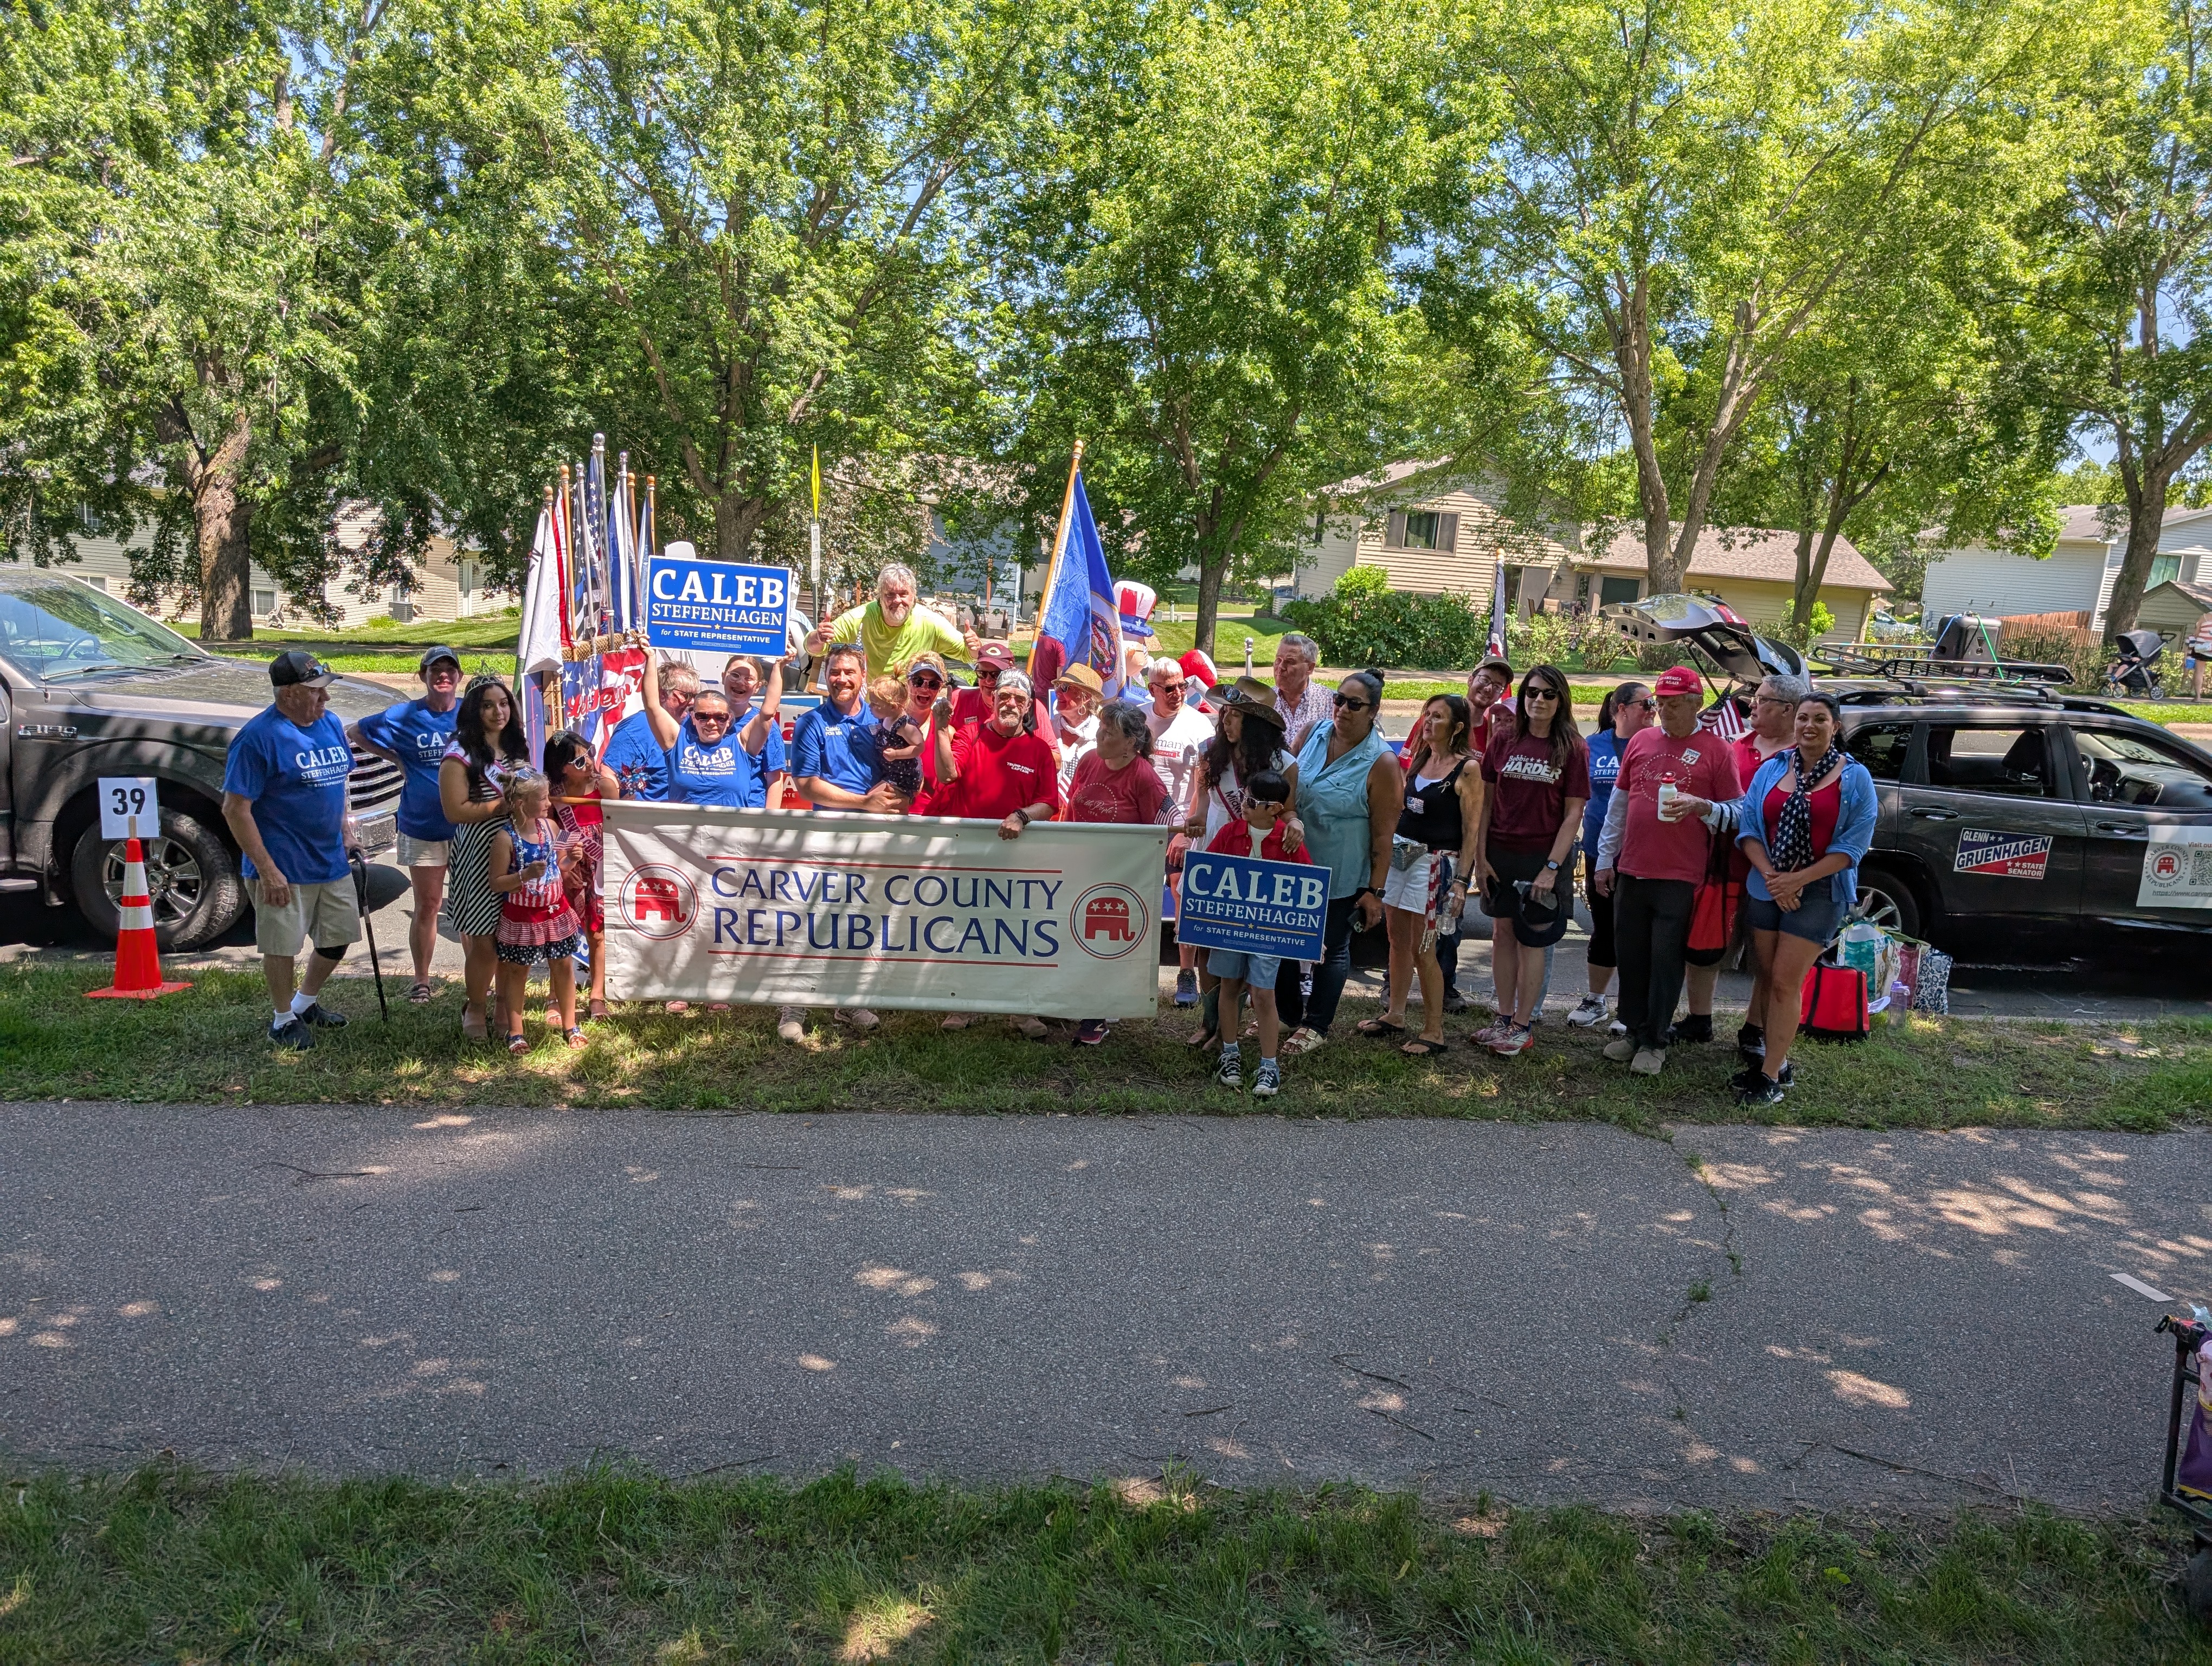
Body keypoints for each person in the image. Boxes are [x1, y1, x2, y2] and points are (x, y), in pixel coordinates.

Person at [1725, 691, 1877, 1106]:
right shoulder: (1774, 768)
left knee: (1786, 983)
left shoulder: (1856, 778)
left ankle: (1770, 1076)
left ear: (1836, 727)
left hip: (1820, 894)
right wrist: (1776, 879)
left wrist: (1799, 881)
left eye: (1821, 719)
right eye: (1804, 718)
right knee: (1770, 977)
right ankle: (1779, 1060)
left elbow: (1853, 847)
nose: (1810, 726)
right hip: (1768, 888)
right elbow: (1749, 829)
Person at [1591, 665, 1743, 1075]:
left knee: (1665, 959)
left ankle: (1656, 1041)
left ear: (1696, 704)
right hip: (1633, 869)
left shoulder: (1717, 750)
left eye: (1674, 704)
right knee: (1632, 955)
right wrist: (1606, 860)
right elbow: (1618, 807)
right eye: (1660, 703)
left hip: (1682, 876)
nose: (1665, 711)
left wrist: (1702, 807)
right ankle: (1632, 1031)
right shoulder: (1642, 740)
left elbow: (1740, 811)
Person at [220, 650, 359, 1050]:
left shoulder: (329, 724)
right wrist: (267, 870)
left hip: (330, 858)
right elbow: (235, 808)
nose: (326, 700)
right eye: (317, 693)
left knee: (337, 938)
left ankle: (305, 1002)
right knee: (282, 946)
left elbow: (338, 785)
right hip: (283, 865)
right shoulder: (257, 738)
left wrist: (346, 831)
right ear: (289, 694)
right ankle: (282, 1020)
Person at [1276, 670, 1403, 1054]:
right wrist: (1290, 816)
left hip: (1342, 874)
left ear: (1374, 711)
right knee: (1283, 941)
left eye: (1354, 704)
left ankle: (1317, 1025)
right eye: (1339, 700)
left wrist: (1375, 892)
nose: (1343, 709)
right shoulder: (1314, 732)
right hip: (1295, 863)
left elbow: (1384, 836)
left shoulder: (1381, 762)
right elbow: (1288, 788)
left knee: (1331, 949)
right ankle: (1286, 1016)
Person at [933, 668, 1064, 1039]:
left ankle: (1020, 1010)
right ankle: (963, 1004)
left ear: (1027, 708)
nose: (1010, 703)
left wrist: (1021, 816)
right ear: (992, 700)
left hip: (1017, 857)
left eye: (1019, 699)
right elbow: (947, 775)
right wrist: (942, 729)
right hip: (969, 855)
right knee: (965, 930)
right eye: (1004, 696)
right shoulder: (972, 734)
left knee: (1018, 933)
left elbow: (1048, 804)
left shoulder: (1038, 749)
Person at [1684, 672, 1805, 1059]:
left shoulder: (1803, 759)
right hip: (1721, 867)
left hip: (1773, 876)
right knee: (1705, 946)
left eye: (1763, 698)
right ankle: (1699, 1019)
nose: (1752, 703)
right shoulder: (1735, 746)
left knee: (1765, 960)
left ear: (1788, 710)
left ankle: (1754, 1029)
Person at [1472, 664, 1589, 1058]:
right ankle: (1503, 1019)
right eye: (1532, 693)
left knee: (1532, 941)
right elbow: (1485, 803)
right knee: (1502, 935)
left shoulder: (1573, 747)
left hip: (1542, 856)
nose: (1539, 700)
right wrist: (1479, 855)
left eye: (1548, 694)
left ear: (1561, 701)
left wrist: (1552, 868)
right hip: (1500, 853)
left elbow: (1574, 814)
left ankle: (1523, 1025)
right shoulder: (1503, 740)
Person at [781, 642, 895, 1040]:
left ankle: (847, 1003)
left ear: (864, 675)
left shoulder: (882, 723)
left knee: (857, 921)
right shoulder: (812, 722)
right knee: (813, 920)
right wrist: (864, 801)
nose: (841, 679)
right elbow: (806, 784)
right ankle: (794, 1004)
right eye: (834, 671)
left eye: (849, 671)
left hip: (870, 839)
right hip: (826, 837)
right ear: (824, 675)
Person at [1182, 677, 1301, 1050]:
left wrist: (1294, 823)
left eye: (1235, 716)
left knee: (1244, 940)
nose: (1226, 721)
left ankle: (1229, 1026)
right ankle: (1211, 1022)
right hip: (1217, 851)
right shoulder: (1209, 752)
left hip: (1258, 861)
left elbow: (1290, 809)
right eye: (1225, 713)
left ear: (1256, 724)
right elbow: (1201, 805)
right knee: (1206, 942)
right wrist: (1196, 820)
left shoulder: (1284, 763)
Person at [1366, 694, 1482, 1057]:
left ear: (1458, 726)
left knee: (1423, 948)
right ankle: (1396, 1014)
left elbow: (1472, 830)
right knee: (1396, 939)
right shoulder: (1419, 757)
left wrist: (1462, 882)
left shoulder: (1467, 769)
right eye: (1427, 715)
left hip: (1435, 864)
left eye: (1439, 717)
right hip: (1402, 857)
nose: (1429, 722)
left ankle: (1434, 1030)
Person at [351, 645, 462, 1003]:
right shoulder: (404, 715)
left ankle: (477, 979)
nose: (443, 675)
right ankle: (422, 980)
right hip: (422, 825)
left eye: (450, 670)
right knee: (428, 904)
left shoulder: (471, 714)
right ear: (423, 676)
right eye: (435, 670)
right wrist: (395, 758)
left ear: (460, 677)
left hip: (468, 827)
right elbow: (356, 732)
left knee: (474, 906)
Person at [1062, 699, 1171, 1046]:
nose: (1100, 734)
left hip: (1121, 877)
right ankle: (1084, 1002)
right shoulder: (1090, 760)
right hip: (1082, 867)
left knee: (1101, 943)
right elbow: (1071, 809)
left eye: (1110, 732)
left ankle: (1097, 1016)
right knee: (1076, 936)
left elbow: (1167, 827)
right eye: (1101, 727)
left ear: (1131, 744)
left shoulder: (1145, 778)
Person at [1201, 767, 1306, 1099]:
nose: (1244, 805)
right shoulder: (1229, 834)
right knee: (1229, 987)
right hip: (1231, 929)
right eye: (1245, 797)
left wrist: (1311, 934)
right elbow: (1206, 877)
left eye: (1253, 802)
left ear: (1275, 808)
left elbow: (1306, 891)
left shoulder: (1289, 842)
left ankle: (1269, 1063)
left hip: (1268, 933)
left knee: (1263, 994)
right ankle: (1230, 1053)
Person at [439, 675, 532, 1039]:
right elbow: (455, 811)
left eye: (505, 703)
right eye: (489, 705)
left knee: (511, 936)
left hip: (516, 851)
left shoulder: (517, 749)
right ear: (474, 711)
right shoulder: (459, 753)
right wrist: (503, 805)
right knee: (484, 939)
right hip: (478, 853)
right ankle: (476, 1006)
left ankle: (503, 1008)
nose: (499, 711)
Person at [1562, 681, 1652, 1031]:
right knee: (1604, 929)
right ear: (1621, 708)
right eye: (1646, 704)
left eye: (1655, 704)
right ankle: (1596, 1000)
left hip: (1644, 855)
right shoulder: (1592, 746)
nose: (1653, 711)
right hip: (1601, 853)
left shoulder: (1656, 745)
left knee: (1637, 933)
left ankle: (1631, 1008)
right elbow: (1574, 800)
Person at [487, 767, 586, 1054]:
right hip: (523, 917)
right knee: (518, 972)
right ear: (521, 803)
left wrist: (573, 860)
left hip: (556, 912)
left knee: (564, 967)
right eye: (543, 799)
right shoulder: (505, 839)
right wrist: (524, 875)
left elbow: (558, 868)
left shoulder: (551, 829)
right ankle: (516, 1032)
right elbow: (496, 884)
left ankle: (571, 1025)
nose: (547, 803)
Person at [1441, 653, 1519, 1014]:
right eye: (1485, 679)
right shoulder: (1441, 715)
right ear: (1471, 678)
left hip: (1467, 834)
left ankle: (1445, 985)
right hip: (1429, 828)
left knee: (1451, 913)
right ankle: (1394, 985)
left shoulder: (1498, 732)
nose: (1490, 689)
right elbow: (1409, 768)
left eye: (1499, 686)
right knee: (1409, 910)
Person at [1146, 655, 1218, 1005]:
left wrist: (1184, 833)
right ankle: (1135, 971)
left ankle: (1186, 975)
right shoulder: (1139, 719)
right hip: (1143, 830)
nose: (1178, 692)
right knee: (1139, 899)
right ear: (1152, 689)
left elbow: (1201, 788)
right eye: (1170, 687)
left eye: (1182, 686)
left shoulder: (1201, 726)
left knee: (1183, 898)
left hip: (1180, 826)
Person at [642, 650, 786, 809]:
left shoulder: (741, 746)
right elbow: (652, 706)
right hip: (683, 830)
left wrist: (779, 666)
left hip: (733, 829)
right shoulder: (678, 742)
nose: (712, 723)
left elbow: (768, 713)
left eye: (720, 718)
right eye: (703, 716)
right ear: (693, 717)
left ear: (729, 720)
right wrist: (651, 657)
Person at [544, 728, 620, 1021]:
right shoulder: (553, 796)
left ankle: (597, 996)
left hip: (601, 868)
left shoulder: (606, 789)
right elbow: (545, 836)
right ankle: (556, 996)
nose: (588, 764)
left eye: (589, 754)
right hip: (567, 869)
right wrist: (562, 869)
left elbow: (622, 833)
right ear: (560, 768)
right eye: (578, 762)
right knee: (559, 933)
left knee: (598, 932)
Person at [803, 561, 978, 676]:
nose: (897, 601)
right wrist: (818, 638)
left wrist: (974, 647)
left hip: (912, 714)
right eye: (890, 595)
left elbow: (969, 655)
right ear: (879, 597)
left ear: (914, 596)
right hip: (871, 713)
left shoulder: (931, 623)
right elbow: (812, 649)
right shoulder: (860, 617)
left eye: (903, 594)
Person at [602, 657, 699, 800]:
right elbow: (607, 774)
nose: (692, 702)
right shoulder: (637, 729)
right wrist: (617, 810)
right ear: (662, 695)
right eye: (686, 696)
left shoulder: (692, 724)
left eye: (695, 696)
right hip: (647, 818)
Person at [1271, 633, 1335, 751]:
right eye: (1278, 660)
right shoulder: (1265, 700)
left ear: (1310, 668)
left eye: (1290, 662)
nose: (1281, 667)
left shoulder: (1331, 702)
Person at [1048, 663, 1105, 792]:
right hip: (1045, 809)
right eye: (1058, 686)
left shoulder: (1101, 735)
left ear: (1086, 698)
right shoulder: (1049, 728)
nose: (1057, 692)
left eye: (1065, 687)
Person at [867, 674, 925, 800]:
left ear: (893, 707)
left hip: (904, 776)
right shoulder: (887, 717)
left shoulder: (903, 726)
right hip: (892, 772)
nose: (870, 707)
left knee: (872, 798)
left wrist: (896, 754)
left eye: (875, 704)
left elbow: (920, 747)